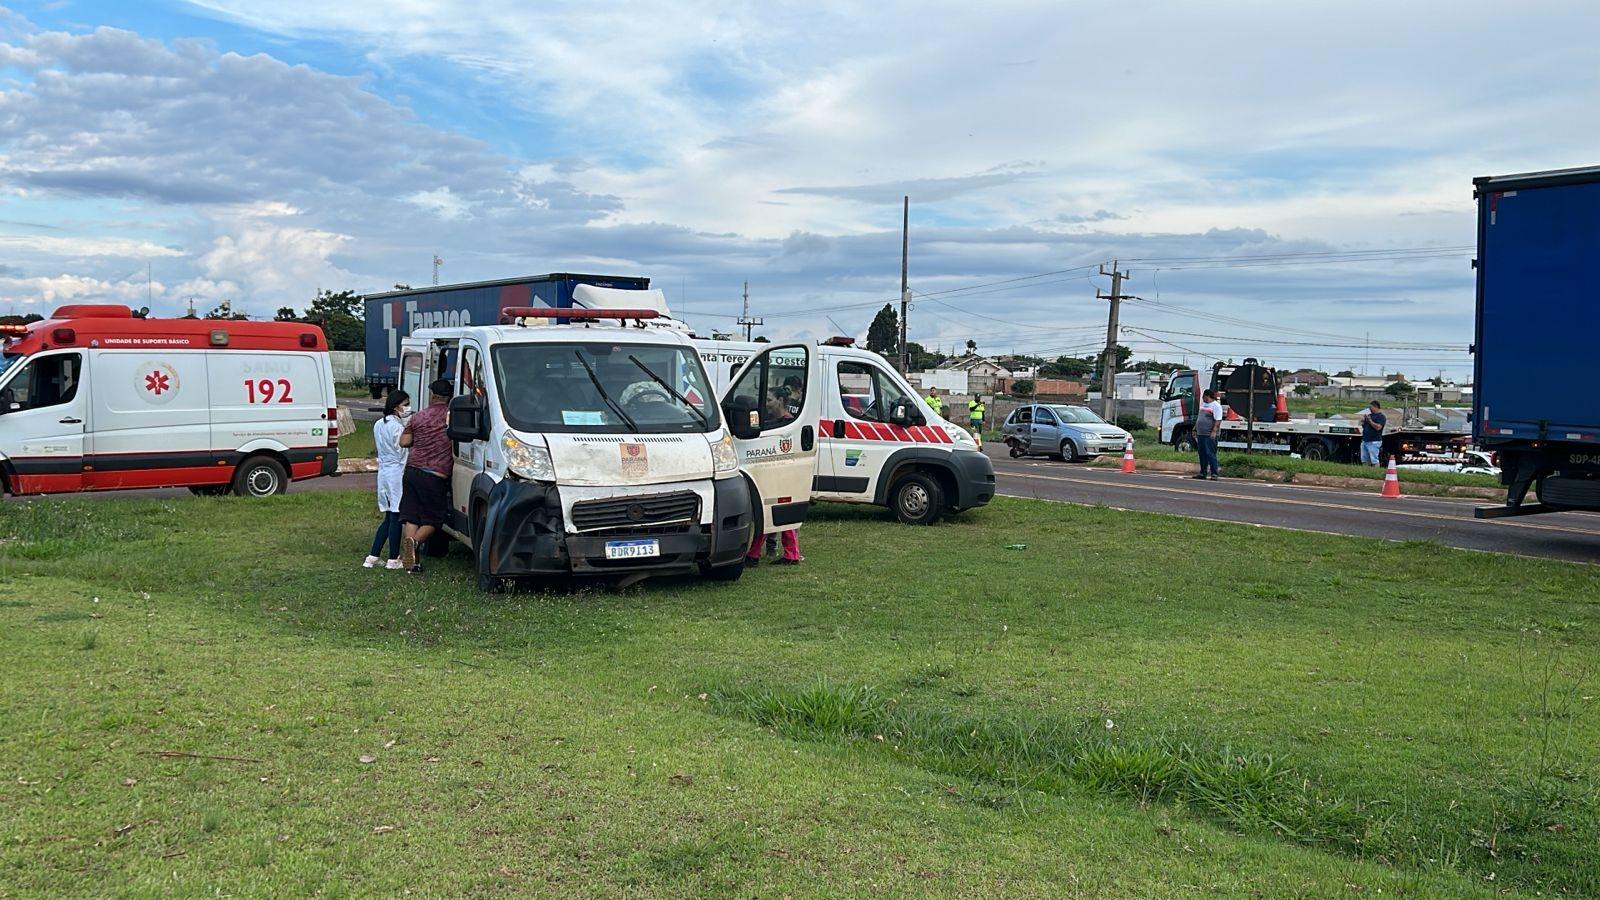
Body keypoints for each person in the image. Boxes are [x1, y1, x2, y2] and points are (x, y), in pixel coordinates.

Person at [398, 378, 454, 574]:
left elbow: (404, 442)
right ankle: (413, 544)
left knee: (412, 516)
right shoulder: (451, 417)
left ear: (432, 395)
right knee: (434, 519)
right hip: (435, 475)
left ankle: (411, 562)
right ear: (449, 397)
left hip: (412, 471)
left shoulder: (418, 417)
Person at [362, 390, 410, 569]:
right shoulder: (397, 427)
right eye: (405, 404)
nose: (407, 408)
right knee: (396, 515)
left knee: (388, 515)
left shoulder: (378, 425)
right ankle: (392, 559)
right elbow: (402, 448)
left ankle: (373, 556)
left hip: (383, 472)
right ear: (396, 405)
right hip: (396, 472)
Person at [1193, 389, 1223, 480]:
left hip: (1209, 434)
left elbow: (1218, 420)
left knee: (1210, 453)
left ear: (1207, 396)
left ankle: (1214, 473)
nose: (1203, 398)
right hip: (1201, 433)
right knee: (1202, 453)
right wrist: (1195, 428)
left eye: (1203, 397)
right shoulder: (1203, 405)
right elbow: (1200, 417)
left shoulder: (1216, 406)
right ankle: (1203, 473)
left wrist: (1214, 431)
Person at [1359, 400, 1387, 466]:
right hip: (1365, 440)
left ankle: (1376, 471)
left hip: (1374, 441)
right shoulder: (1370, 415)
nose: (1370, 409)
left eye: (1371, 407)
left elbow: (1378, 427)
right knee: (1364, 460)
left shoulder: (1381, 417)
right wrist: (1364, 421)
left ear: (1375, 407)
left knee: (1374, 459)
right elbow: (1364, 426)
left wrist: (1370, 421)